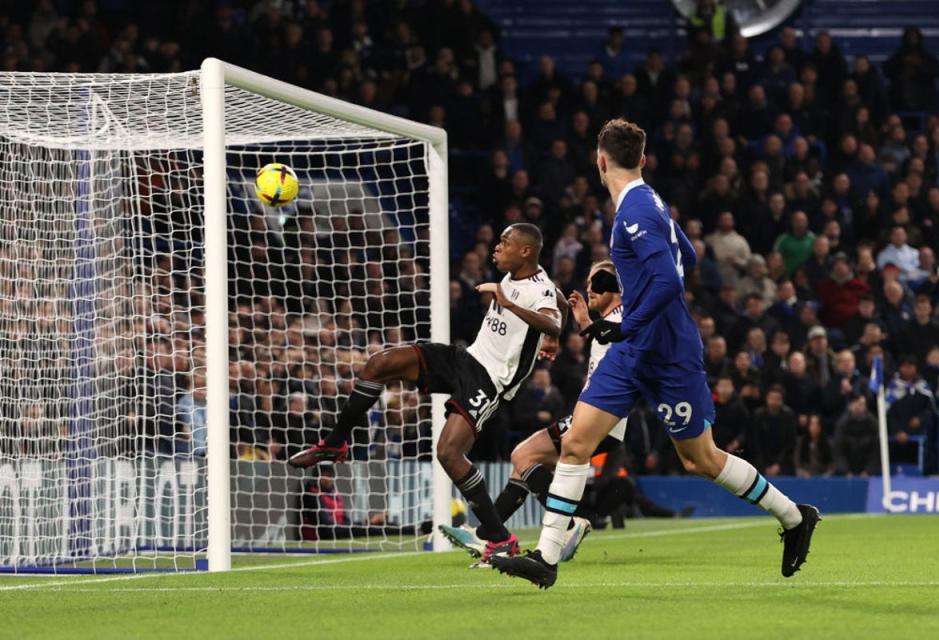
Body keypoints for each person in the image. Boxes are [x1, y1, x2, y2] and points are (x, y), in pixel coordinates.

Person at [490, 119, 819, 589]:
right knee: (578, 442)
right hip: (633, 351)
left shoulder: (635, 211)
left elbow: (671, 279)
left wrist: (627, 323)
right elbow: (687, 254)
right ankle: (545, 558)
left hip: (665, 351)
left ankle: (793, 517)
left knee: (700, 460)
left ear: (600, 161)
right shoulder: (650, 203)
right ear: (641, 160)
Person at [289, 223, 567, 563]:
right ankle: (335, 442)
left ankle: (499, 537)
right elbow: (560, 308)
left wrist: (522, 313)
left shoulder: (538, 291)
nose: (497, 247)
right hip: (467, 358)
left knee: (449, 454)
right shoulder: (526, 279)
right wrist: (552, 338)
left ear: (525, 251)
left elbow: (551, 318)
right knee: (378, 363)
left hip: (492, 380)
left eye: (504, 242)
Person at [440, 260, 627, 564]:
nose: (589, 288)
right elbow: (608, 348)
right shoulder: (611, 323)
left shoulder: (623, 319)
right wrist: (577, 324)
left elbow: (622, 348)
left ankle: (567, 526)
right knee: (524, 466)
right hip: (601, 419)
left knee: (522, 455)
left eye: (597, 282)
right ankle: (491, 538)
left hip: (599, 418)